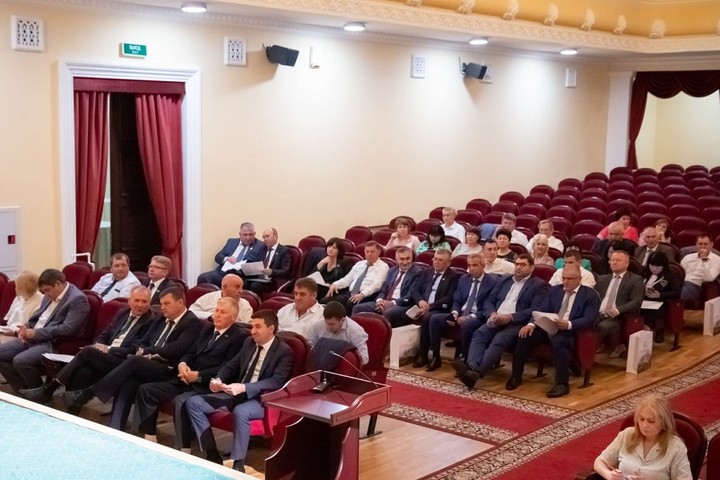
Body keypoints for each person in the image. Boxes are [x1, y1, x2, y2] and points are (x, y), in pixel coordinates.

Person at [60, 287, 201, 430]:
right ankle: (116, 427)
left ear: (180, 302)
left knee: (133, 361)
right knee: (128, 380)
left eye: (166, 303)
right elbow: (145, 340)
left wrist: (147, 351)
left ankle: (88, 393)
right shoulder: (161, 318)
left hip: (168, 368)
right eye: (161, 303)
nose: (162, 307)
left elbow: (176, 349)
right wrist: (143, 350)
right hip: (146, 363)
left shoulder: (192, 322)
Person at [185, 310, 294, 473]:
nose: (253, 331)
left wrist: (245, 387)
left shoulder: (284, 351)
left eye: (258, 326)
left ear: (271, 328)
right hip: (237, 392)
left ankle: (238, 464)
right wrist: (218, 379)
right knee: (194, 403)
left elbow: (277, 381)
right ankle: (212, 454)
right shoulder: (249, 343)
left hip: (261, 398)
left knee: (241, 411)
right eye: (252, 326)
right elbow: (232, 365)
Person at [135, 297, 248, 447]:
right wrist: (183, 365)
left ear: (233, 317)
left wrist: (199, 376)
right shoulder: (207, 329)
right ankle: (149, 437)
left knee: (180, 401)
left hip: (206, 385)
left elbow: (227, 367)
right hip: (185, 378)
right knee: (146, 390)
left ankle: (184, 448)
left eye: (223, 312)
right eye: (216, 311)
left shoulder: (239, 337)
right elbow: (191, 352)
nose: (217, 315)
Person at [19, 286, 156, 406]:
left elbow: (134, 349)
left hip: (123, 361)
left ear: (149, 303)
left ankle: (49, 389)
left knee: (87, 351)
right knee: (82, 371)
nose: (140, 305)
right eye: (137, 300)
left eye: (144, 301)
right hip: (105, 355)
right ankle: (72, 413)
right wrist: (100, 344)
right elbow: (106, 333)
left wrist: (108, 349)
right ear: (129, 301)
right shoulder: (123, 313)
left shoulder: (150, 320)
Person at [452, 255, 548, 389]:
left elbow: (535, 309)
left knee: (499, 340)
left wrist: (511, 317)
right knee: (479, 334)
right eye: (517, 264)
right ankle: (472, 367)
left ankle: (475, 373)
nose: (518, 267)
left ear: (531, 268)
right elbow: (490, 300)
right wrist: (492, 313)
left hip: (516, 323)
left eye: (523, 265)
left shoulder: (539, 285)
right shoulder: (505, 280)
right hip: (496, 318)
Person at [506, 265, 600, 398]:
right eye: (563, 278)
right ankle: (516, 376)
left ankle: (562, 383)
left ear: (579, 279)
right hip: (551, 326)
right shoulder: (555, 290)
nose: (565, 281)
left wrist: (568, 324)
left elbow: (590, 319)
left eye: (570, 279)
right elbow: (541, 310)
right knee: (524, 335)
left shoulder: (589, 295)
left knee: (559, 341)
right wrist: (531, 325)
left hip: (572, 331)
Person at [0, 269, 89, 392]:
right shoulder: (49, 295)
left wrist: (37, 333)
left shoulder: (77, 299)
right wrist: (26, 326)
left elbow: (68, 329)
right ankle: (23, 390)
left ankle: (38, 393)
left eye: (47, 290)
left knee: (20, 361)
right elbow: (37, 317)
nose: (46, 294)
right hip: (33, 336)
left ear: (58, 284)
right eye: (44, 291)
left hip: (52, 342)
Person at [593, 393, 692, 480]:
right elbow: (600, 461)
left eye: (651, 421)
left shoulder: (676, 447)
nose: (644, 425)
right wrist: (610, 475)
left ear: (663, 422)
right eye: (641, 419)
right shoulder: (627, 435)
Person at [392, 249, 459, 370]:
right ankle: (399, 352)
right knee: (396, 313)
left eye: (440, 260)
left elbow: (449, 298)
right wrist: (420, 301)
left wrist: (430, 307)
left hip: (439, 308)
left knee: (428, 317)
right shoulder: (426, 272)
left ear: (448, 263)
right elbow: (415, 290)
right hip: (421, 305)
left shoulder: (454, 276)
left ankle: (427, 355)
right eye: (435, 259)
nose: (436, 262)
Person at [431, 253, 499, 361]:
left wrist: (468, 317)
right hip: (461, 313)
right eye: (469, 265)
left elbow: (488, 306)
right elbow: (457, 300)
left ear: (483, 266)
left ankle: (465, 357)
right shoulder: (463, 279)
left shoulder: (492, 283)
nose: (471, 268)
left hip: (478, 316)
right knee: (435, 318)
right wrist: (454, 313)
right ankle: (435, 356)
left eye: (475, 265)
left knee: (467, 324)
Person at [595, 251, 644, 358]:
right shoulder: (602, 279)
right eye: (613, 260)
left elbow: (636, 301)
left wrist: (618, 310)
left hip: (619, 316)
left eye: (618, 260)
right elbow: (594, 298)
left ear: (627, 264)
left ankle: (592, 351)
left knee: (600, 327)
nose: (614, 262)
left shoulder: (635, 279)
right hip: (599, 313)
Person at [351, 246, 422, 316]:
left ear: (412, 258)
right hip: (384, 301)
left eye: (407, 258)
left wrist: (392, 303)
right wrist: (379, 301)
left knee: (388, 312)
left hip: (401, 304)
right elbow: (383, 290)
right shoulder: (392, 270)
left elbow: (410, 296)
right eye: (402, 259)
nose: (405, 262)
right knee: (358, 308)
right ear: (396, 260)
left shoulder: (417, 272)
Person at [325, 241, 389, 312]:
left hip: (367, 295)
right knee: (325, 300)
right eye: (367, 251)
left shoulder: (383, 266)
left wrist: (362, 294)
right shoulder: (359, 264)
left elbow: (377, 285)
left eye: (372, 252)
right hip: (350, 293)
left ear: (378, 252)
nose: (369, 254)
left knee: (350, 304)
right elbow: (347, 279)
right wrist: (335, 284)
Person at [196, 222, 263, 287]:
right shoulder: (231, 242)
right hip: (223, 273)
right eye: (245, 235)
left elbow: (259, 264)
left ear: (254, 234)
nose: (248, 238)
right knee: (203, 277)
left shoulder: (260, 245)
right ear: (240, 234)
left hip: (241, 276)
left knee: (232, 282)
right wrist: (226, 259)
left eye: (250, 235)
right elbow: (218, 257)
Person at [306, 301, 369, 365]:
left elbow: (364, 358)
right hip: (321, 363)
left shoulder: (355, 331)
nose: (328, 327)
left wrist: (347, 359)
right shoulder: (318, 325)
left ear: (342, 320)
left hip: (344, 365)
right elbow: (310, 348)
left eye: (332, 324)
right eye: (326, 323)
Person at [641, 252, 682, 343]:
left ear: (663, 266)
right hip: (643, 299)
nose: (654, 269)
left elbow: (676, 292)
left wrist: (660, 295)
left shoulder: (671, 275)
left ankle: (659, 331)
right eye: (652, 265)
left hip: (662, 301)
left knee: (656, 310)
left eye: (658, 266)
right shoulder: (644, 272)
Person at [243, 227, 292, 296]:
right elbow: (256, 262)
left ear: (275, 236)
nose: (265, 239)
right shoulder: (262, 249)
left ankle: (255, 302)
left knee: (255, 286)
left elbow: (286, 271)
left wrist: (272, 272)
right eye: (264, 237)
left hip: (272, 280)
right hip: (259, 278)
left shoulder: (284, 251)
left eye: (267, 236)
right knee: (244, 283)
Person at [189, 273, 253, 323]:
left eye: (242, 287)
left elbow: (247, 327)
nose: (241, 291)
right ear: (224, 287)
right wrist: (211, 316)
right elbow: (191, 312)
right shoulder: (208, 298)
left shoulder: (245, 305)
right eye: (237, 287)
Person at [1, 271, 43, 342]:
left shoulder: (41, 301)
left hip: (22, 335)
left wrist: (14, 332)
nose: (15, 288)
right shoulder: (19, 298)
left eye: (17, 286)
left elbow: (33, 326)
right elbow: (8, 320)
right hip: (8, 330)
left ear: (26, 287)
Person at [680, 233, 720, 302]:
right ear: (696, 245)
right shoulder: (687, 257)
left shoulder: (717, 260)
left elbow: (709, 278)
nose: (702, 246)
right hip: (682, 283)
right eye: (700, 244)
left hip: (698, 286)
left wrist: (704, 259)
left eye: (705, 244)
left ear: (711, 245)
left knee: (684, 290)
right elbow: (679, 274)